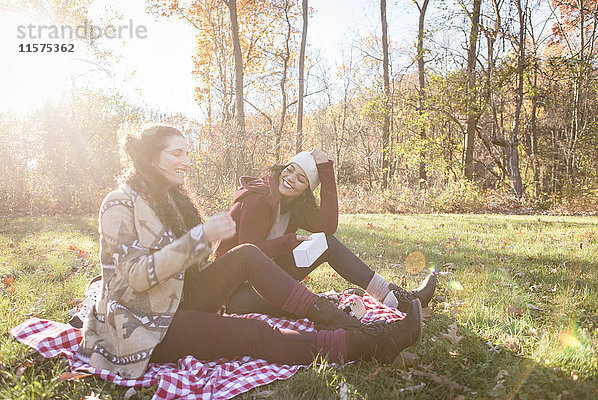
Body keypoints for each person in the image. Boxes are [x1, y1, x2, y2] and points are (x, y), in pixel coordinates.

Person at [76, 126, 422, 379]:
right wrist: (202, 237)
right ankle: (364, 345)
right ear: (152, 157)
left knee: (246, 256)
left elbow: (325, 227)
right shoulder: (119, 203)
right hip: (144, 321)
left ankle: (341, 320)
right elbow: (136, 274)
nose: (185, 161)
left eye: (186, 153)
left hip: (183, 295)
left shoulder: (175, 201)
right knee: (254, 335)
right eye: (176, 153)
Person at [215, 149, 437, 317]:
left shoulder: (293, 206)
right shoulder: (259, 197)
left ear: (306, 190)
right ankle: (388, 303)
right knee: (311, 302)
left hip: (265, 279)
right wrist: (289, 242)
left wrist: (326, 172)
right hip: (235, 295)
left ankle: (393, 297)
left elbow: (328, 228)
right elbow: (246, 254)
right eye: (289, 169)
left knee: (325, 243)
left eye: (301, 178)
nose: (291, 178)